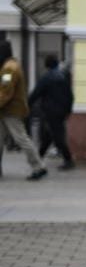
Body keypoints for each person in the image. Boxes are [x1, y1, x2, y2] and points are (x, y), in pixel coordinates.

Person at [0, 40, 47, 180]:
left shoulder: (9, 69)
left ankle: (39, 167)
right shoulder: (11, 66)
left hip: (10, 111)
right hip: (5, 111)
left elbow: (5, 91)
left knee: (21, 139)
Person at [29, 55, 75, 171]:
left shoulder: (46, 78)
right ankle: (38, 158)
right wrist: (68, 110)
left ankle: (68, 160)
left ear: (47, 65)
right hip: (61, 111)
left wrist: (27, 105)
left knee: (57, 137)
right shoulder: (63, 77)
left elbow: (36, 93)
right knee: (48, 136)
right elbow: (70, 96)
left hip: (50, 111)